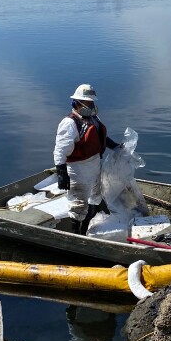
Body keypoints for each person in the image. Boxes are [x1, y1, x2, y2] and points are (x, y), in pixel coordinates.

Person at [54, 84, 118, 234]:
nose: (90, 106)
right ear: (76, 103)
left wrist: (115, 146)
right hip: (78, 169)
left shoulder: (93, 119)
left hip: (95, 164)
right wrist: (61, 172)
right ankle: (76, 234)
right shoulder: (69, 123)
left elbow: (99, 137)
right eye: (87, 103)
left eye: (92, 103)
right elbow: (60, 150)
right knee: (78, 203)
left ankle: (85, 228)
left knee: (95, 197)